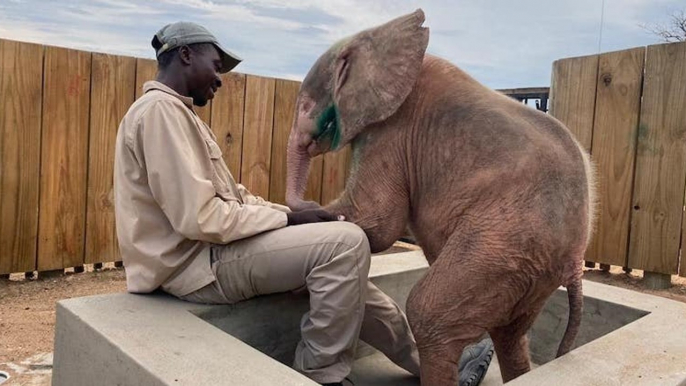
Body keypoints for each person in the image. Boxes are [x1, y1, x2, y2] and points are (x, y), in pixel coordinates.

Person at [113, 21, 493, 386]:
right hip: (194, 266)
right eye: (215, 66)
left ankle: (434, 367)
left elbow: (232, 197)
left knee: (346, 266)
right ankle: (319, 375)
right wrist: (291, 223)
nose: (219, 79)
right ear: (184, 56)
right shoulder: (160, 113)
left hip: (209, 254)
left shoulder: (178, 114)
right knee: (345, 244)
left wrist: (292, 213)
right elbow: (199, 218)